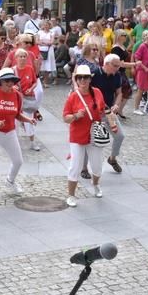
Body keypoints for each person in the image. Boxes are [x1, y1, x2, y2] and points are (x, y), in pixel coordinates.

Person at [0, 68, 36, 205]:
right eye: (6, 81)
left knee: (18, 161)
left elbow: (17, 114)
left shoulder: (17, 95)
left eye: (12, 80)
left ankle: (10, 181)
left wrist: (28, 120)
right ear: (1, 82)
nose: (10, 83)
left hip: (9, 132)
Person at [62, 64, 109, 207]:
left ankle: (95, 185)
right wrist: (76, 116)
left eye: (85, 77)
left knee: (97, 166)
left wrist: (110, 111)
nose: (82, 80)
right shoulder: (73, 97)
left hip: (94, 135)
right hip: (77, 136)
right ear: (76, 80)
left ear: (90, 79)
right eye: (80, 78)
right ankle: (71, 195)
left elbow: (103, 109)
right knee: (75, 166)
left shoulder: (97, 92)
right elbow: (65, 118)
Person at [13, 48, 41, 151]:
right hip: (16, 99)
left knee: (29, 120)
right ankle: (15, 144)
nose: (23, 58)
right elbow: (8, 84)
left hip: (28, 98)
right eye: (20, 56)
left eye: (24, 56)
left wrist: (31, 88)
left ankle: (32, 142)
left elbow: (35, 82)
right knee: (15, 121)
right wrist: (13, 87)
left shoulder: (30, 69)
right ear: (16, 58)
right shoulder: (13, 70)